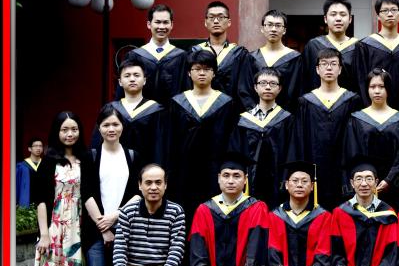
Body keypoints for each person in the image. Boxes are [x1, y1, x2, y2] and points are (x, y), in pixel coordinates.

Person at [31, 111, 95, 266]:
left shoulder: (85, 159)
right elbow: (41, 200)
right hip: (53, 230)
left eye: (74, 129)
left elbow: (89, 194)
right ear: (56, 132)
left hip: (75, 234)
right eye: (64, 130)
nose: (70, 134)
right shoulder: (48, 161)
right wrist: (44, 234)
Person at [82, 106, 141, 266]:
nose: (111, 129)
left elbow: (137, 193)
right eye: (106, 125)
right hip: (96, 230)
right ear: (99, 128)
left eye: (115, 124)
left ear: (122, 127)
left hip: (125, 228)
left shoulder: (132, 155)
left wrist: (115, 217)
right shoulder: (91, 155)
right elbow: (86, 193)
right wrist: (103, 227)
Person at [167, 49, 238, 216]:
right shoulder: (177, 102)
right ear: (189, 73)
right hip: (183, 171)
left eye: (207, 69)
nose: (202, 73)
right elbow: (171, 142)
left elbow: (231, 141)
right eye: (197, 69)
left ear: (214, 73)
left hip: (214, 170)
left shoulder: (226, 103)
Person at [294, 48, 361, 212]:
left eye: (333, 64)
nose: (329, 68)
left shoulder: (352, 100)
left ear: (340, 69)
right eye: (324, 64)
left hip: (343, 170)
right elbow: (300, 140)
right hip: (315, 168)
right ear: (317, 69)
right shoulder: (306, 102)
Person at [229, 67, 297, 208]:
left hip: (277, 182)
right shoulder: (243, 121)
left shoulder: (287, 119)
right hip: (249, 182)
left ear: (279, 88)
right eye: (263, 83)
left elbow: (291, 153)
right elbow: (235, 153)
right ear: (255, 87)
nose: (267, 87)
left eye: (273, 84)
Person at [342, 69, 399, 208]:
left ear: (388, 88)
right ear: (367, 89)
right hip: (364, 185)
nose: (377, 91)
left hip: (395, 186)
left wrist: (389, 180)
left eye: (381, 86)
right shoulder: (356, 119)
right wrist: (367, 180)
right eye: (372, 87)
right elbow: (353, 154)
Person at [97, 60, 166, 167]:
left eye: (136, 75)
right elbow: (98, 141)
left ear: (144, 80)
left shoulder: (156, 110)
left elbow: (160, 146)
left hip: (147, 169)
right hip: (114, 167)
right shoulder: (111, 109)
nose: (132, 79)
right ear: (120, 82)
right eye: (127, 76)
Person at [353, 0, 399, 107]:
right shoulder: (364, 46)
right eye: (385, 10)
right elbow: (361, 82)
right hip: (373, 109)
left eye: (394, 10)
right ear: (378, 16)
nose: (390, 14)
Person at [120, 4, 188, 105]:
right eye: (157, 22)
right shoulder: (135, 55)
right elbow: (124, 91)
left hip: (172, 113)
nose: (161, 27)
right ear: (149, 24)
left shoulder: (181, 56)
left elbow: (187, 90)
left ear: (171, 25)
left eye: (165, 22)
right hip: (141, 112)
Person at [243, 9, 304, 111]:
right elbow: (245, 89)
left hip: (286, 115)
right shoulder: (251, 57)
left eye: (278, 25)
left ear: (284, 30)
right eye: (269, 25)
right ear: (262, 28)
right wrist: (255, 113)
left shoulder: (295, 58)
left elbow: (298, 90)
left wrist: (284, 115)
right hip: (256, 116)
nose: (273, 29)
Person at [192, 0, 252, 103]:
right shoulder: (195, 51)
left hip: (231, 109)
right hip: (200, 108)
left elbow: (244, 89)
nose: (216, 21)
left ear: (229, 22)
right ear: (205, 22)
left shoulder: (239, 53)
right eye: (211, 17)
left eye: (220, 17)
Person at [302, 0, 360, 95]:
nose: (338, 19)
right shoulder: (313, 46)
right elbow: (305, 80)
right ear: (325, 19)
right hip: (318, 102)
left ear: (350, 19)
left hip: (351, 102)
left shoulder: (359, 47)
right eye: (333, 14)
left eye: (343, 14)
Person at [16, 136, 43, 207]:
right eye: (35, 146)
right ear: (29, 149)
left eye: (40, 146)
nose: (38, 148)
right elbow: (16, 186)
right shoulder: (21, 166)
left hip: (43, 203)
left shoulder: (46, 165)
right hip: (27, 203)